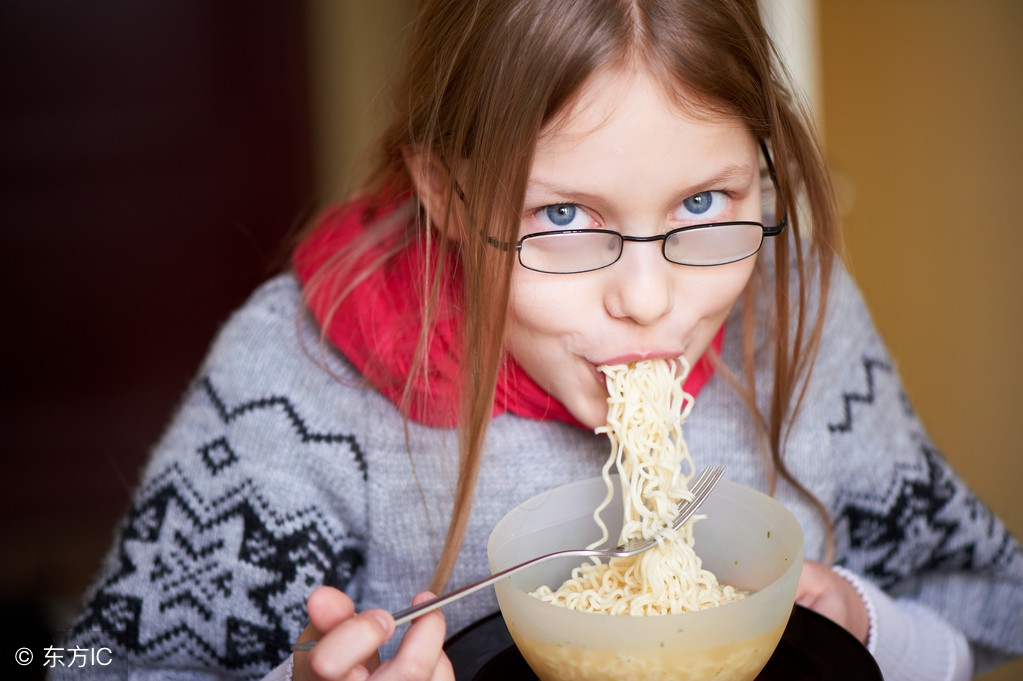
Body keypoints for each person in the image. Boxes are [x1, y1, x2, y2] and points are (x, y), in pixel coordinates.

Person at [58, 1, 1022, 679]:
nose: (646, 299)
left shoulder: (801, 317)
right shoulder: (300, 377)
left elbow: (987, 608)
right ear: (446, 193)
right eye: (562, 216)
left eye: (702, 202)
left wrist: (864, 625)